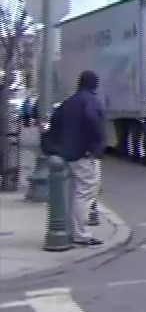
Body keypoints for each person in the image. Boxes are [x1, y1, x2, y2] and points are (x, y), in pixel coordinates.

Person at [49, 71, 105, 246]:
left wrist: (56, 146)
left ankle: (73, 228)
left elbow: (55, 121)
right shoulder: (90, 101)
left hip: (68, 153)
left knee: (75, 191)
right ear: (94, 84)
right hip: (83, 153)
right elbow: (94, 123)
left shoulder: (69, 101)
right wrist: (95, 147)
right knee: (85, 191)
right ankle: (80, 233)